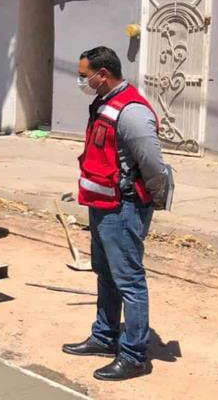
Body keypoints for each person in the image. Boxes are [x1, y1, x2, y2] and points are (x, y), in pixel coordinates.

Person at [62, 46, 173, 381]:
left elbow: (153, 164)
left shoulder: (132, 112)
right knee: (105, 274)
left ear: (103, 74)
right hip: (103, 204)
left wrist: (152, 198)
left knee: (129, 280)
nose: (82, 80)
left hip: (124, 208)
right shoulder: (104, 103)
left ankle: (134, 355)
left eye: (85, 75)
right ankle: (104, 336)